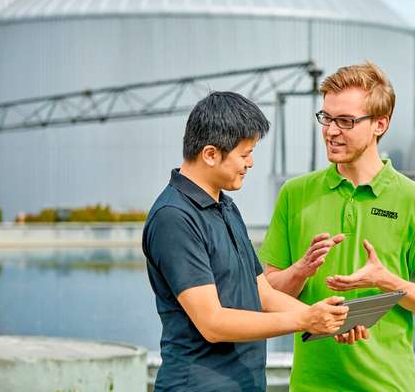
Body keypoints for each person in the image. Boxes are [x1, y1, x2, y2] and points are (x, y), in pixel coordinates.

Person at [259, 62, 415, 391]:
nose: (331, 131)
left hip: (387, 385)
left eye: (346, 121)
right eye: (326, 118)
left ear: (380, 124)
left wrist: (384, 281)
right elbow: (267, 295)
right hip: (311, 385)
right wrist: (301, 270)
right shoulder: (295, 195)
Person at [142, 91, 353, 392]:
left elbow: (261, 293)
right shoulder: (174, 218)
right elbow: (212, 323)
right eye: (244, 154)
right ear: (211, 154)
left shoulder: (224, 205)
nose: (251, 163)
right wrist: (305, 319)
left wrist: (329, 317)